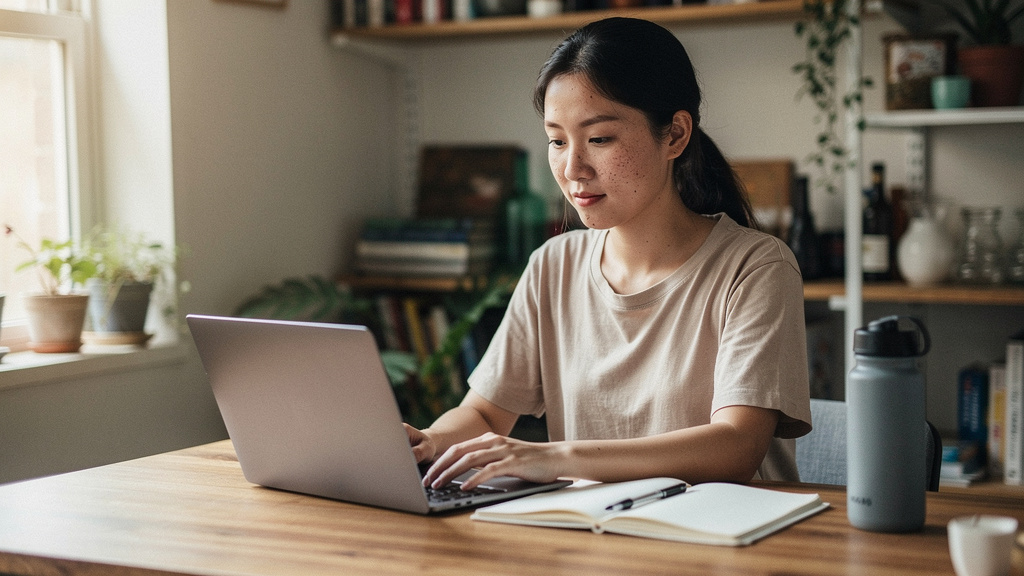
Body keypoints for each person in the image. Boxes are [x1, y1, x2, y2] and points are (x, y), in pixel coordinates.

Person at [407, 17, 811, 491]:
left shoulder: (756, 267)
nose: (573, 168)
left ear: (675, 136)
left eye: (599, 139)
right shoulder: (553, 265)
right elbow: (484, 411)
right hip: (596, 541)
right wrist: (428, 442)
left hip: (730, 547)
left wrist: (556, 456)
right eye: (557, 140)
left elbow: (736, 448)